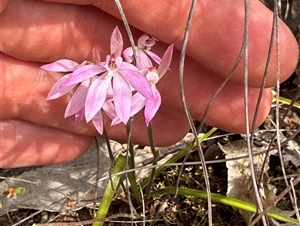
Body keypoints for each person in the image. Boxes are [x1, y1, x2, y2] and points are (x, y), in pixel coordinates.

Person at [0, 0, 298, 167]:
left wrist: (141, 67)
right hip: (104, 77)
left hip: (134, 78)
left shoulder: (142, 79)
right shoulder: (107, 72)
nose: (114, 57)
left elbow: (143, 84)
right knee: (90, 96)